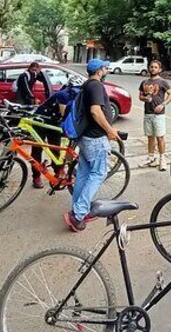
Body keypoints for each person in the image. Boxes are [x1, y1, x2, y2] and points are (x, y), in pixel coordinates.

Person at [64, 59, 122, 232]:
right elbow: (95, 111)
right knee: (98, 173)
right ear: (99, 71)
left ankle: (78, 210)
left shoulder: (87, 85)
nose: (107, 69)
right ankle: (78, 214)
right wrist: (110, 130)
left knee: (83, 174)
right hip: (96, 139)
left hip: (86, 137)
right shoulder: (96, 86)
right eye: (105, 67)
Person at [32, 82, 82, 188]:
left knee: (55, 148)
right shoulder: (63, 95)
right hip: (40, 120)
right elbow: (65, 115)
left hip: (55, 122)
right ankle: (36, 176)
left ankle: (57, 171)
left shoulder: (79, 96)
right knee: (37, 149)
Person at [138, 60, 171, 171]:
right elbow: (140, 96)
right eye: (151, 67)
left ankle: (162, 159)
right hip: (147, 113)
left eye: (155, 67)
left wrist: (163, 104)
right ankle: (151, 158)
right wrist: (145, 98)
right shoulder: (144, 82)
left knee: (160, 137)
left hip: (158, 115)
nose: (153, 69)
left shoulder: (163, 82)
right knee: (150, 137)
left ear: (160, 70)